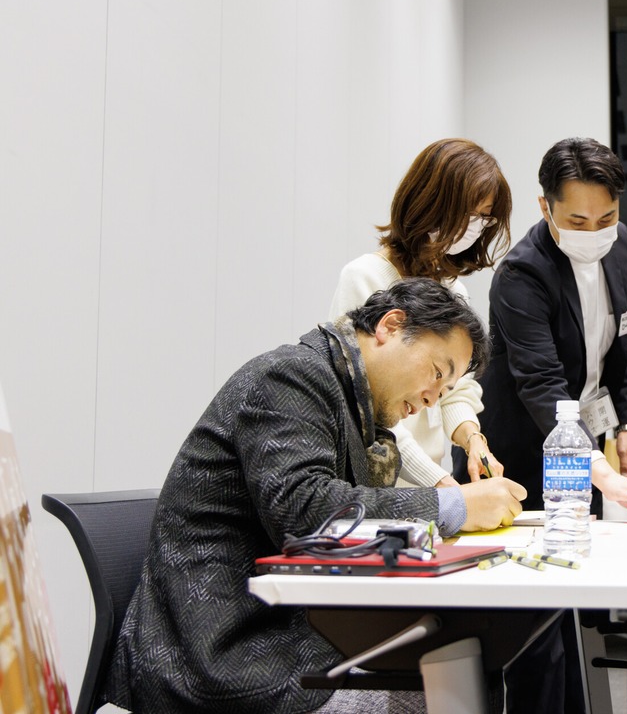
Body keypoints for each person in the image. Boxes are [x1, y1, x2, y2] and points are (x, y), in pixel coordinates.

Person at [107, 278, 526, 714]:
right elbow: (306, 512)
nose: (429, 399)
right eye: (436, 374)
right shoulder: (291, 376)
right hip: (225, 652)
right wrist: (455, 506)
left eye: (442, 392)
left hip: (287, 631)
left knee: (465, 669)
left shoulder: (349, 403)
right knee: (445, 691)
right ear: (390, 325)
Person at [472, 137, 627, 714]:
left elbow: (623, 346)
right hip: (524, 457)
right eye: (577, 219)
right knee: (534, 633)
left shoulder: (622, 246)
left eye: (606, 216)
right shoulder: (520, 276)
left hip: (586, 448)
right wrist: (601, 473)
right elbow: (541, 386)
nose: (595, 230)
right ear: (545, 207)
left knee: (578, 613)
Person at [330, 138, 511, 489]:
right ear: (431, 200)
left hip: (428, 488)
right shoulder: (365, 278)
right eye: (470, 214)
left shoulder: (452, 289)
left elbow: (456, 389)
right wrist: (443, 487)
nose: (476, 227)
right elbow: (370, 408)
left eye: (484, 218)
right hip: (377, 488)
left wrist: (473, 440)